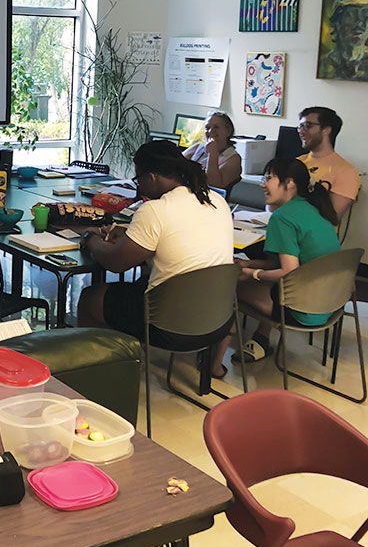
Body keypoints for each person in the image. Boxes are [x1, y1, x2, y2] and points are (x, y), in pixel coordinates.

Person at [73, 140, 233, 348]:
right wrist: (132, 233)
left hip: (169, 325)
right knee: (140, 284)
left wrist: (90, 237)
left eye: (138, 179)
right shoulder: (215, 200)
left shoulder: (155, 209)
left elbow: (115, 263)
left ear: (152, 177)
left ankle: (102, 368)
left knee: (90, 298)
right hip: (217, 320)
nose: (139, 185)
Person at [214, 158, 340, 373]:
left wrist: (251, 274)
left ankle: (213, 364)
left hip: (303, 309)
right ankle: (259, 340)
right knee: (249, 277)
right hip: (329, 302)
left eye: (268, 178)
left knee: (224, 286)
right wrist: (250, 263)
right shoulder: (314, 208)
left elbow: (288, 271)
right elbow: (288, 263)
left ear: (289, 183)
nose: (263, 183)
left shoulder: (283, 218)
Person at [296, 107, 360, 224]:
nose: (301, 131)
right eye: (300, 126)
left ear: (326, 130)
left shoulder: (346, 171)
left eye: (308, 125)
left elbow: (331, 219)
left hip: (313, 239)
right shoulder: (297, 163)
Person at [318, 0, 368, 81]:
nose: (360, 23)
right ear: (338, 20)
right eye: (352, 14)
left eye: (366, 15)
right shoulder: (324, 65)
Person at [182, 111, 242, 192]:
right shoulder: (197, 148)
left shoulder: (233, 159)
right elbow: (175, 165)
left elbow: (213, 184)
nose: (210, 131)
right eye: (207, 127)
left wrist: (213, 154)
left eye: (216, 127)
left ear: (228, 131)